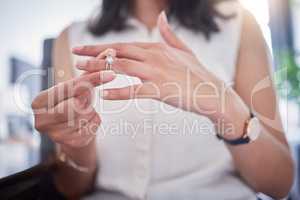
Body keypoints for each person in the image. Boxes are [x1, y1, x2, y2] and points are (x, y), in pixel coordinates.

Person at [31, 0, 294, 199]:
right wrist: (79, 144)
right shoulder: (73, 38)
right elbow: (71, 188)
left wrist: (224, 106)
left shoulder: (239, 24)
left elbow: (280, 182)